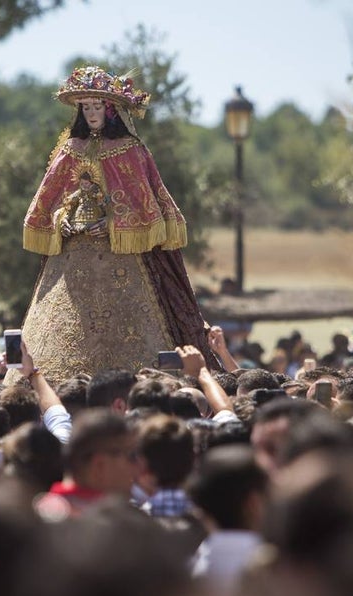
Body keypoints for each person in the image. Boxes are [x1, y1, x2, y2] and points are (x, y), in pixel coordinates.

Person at [19, 65, 217, 380]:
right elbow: (53, 198)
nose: (91, 113)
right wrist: (63, 221)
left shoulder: (131, 151)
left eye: (97, 106)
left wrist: (112, 223)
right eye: (86, 108)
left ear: (110, 110)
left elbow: (145, 203)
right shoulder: (69, 150)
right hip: (73, 260)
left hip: (123, 260)